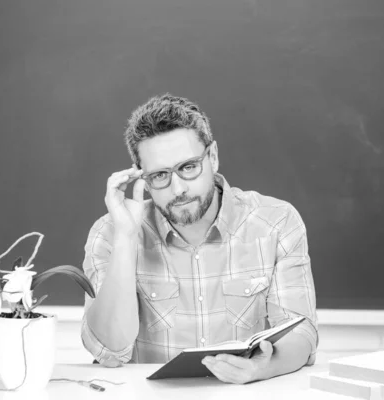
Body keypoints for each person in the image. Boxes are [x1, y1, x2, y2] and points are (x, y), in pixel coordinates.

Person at [81, 93, 318, 384]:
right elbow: (109, 350)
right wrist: (126, 239)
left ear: (213, 157)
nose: (178, 188)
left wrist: (260, 368)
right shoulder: (110, 232)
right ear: (143, 179)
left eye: (188, 167)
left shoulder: (276, 222)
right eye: (159, 175)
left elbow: (301, 332)